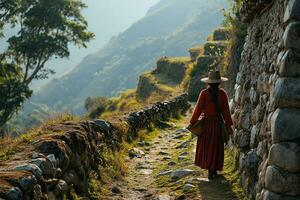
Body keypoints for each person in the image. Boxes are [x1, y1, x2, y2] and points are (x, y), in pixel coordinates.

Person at [189, 70, 234, 180]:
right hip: (218, 124)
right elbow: (226, 112)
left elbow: (198, 109)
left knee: (207, 146)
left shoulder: (204, 94)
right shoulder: (222, 94)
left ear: (208, 82)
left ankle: (210, 170)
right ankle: (214, 169)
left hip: (206, 124)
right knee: (216, 146)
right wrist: (229, 125)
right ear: (219, 83)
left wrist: (192, 122)